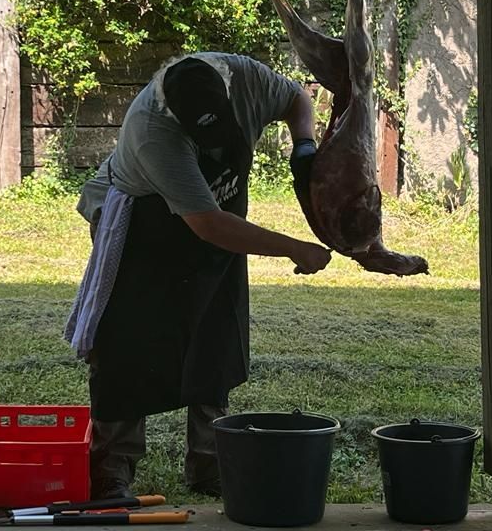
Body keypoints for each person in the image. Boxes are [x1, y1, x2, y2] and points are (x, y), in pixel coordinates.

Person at [65, 52, 332, 500]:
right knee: (127, 344)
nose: (214, 149)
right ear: (176, 117)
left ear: (229, 94)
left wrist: (304, 146)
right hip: (144, 221)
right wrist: (294, 247)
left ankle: (210, 464)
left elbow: (296, 100)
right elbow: (208, 225)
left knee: (216, 337)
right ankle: (113, 467)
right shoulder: (153, 131)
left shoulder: (246, 78)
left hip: (218, 219)